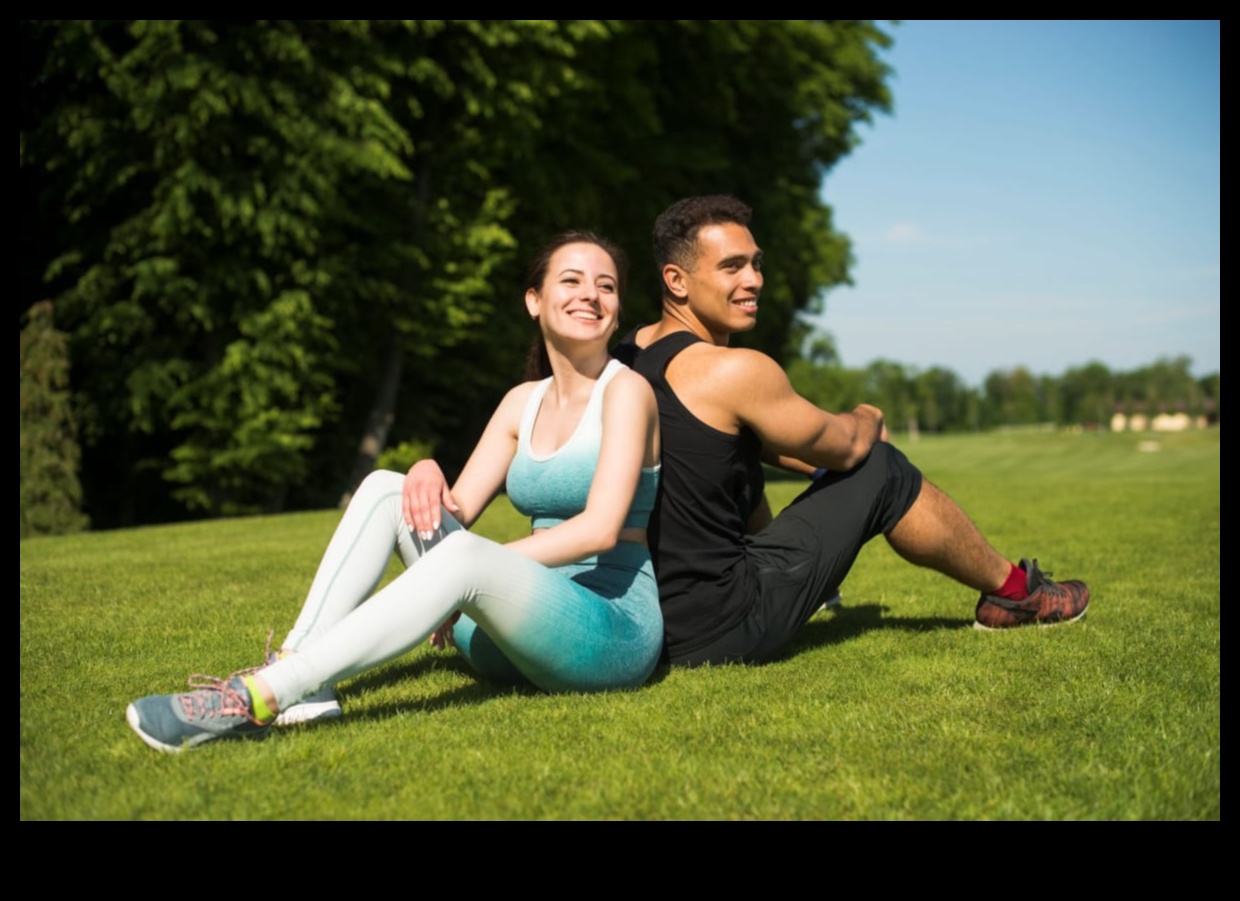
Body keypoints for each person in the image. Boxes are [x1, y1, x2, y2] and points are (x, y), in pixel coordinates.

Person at [127, 231, 663, 752]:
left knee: (464, 557)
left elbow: (600, 527)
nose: (590, 294)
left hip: (604, 631)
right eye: (571, 280)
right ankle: (303, 673)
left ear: (616, 308)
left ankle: (254, 700)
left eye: (607, 286)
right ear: (534, 300)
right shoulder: (522, 401)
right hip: (514, 632)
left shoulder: (627, 391)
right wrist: (425, 470)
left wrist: (473, 565)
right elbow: (453, 511)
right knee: (389, 488)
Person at [612, 195, 1089, 668]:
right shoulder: (732, 371)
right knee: (883, 467)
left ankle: (821, 583)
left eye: (756, 264)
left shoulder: (628, 355)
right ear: (676, 281)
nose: (754, 280)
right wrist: (868, 416)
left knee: (757, 452)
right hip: (726, 627)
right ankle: (1014, 596)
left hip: (646, 623)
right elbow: (846, 447)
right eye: (732, 267)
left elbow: (726, 450)